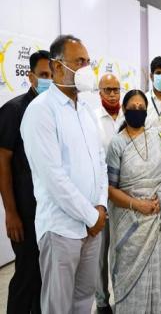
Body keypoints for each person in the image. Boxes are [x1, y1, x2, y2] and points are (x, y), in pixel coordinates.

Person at [20, 34, 108, 313]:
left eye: (88, 62)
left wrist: (102, 206)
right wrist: (92, 215)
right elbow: (54, 178)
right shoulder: (40, 112)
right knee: (58, 305)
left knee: (84, 300)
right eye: (79, 62)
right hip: (61, 229)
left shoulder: (85, 110)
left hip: (92, 227)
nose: (86, 68)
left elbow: (100, 163)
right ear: (58, 67)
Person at [106, 89, 161, 313]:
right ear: (124, 110)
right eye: (132, 108)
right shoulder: (117, 143)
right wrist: (138, 205)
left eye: (141, 108)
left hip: (157, 218)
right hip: (130, 223)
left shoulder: (157, 137)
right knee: (129, 280)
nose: (137, 111)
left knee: (158, 276)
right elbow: (109, 188)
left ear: (147, 111)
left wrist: (160, 198)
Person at [0, 50, 52, 314]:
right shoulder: (14, 110)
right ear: (31, 77)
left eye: (52, 75)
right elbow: (3, 163)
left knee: (44, 277)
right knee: (27, 275)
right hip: (24, 210)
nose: (48, 80)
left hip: (49, 212)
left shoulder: (56, 110)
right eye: (43, 75)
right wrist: (10, 213)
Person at [94, 73, 124, 314]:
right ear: (99, 92)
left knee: (122, 249)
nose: (112, 93)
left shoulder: (129, 117)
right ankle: (102, 301)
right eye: (107, 89)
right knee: (100, 253)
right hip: (101, 197)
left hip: (125, 196)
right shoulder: (93, 119)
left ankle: (123, 295)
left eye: (115, 89)